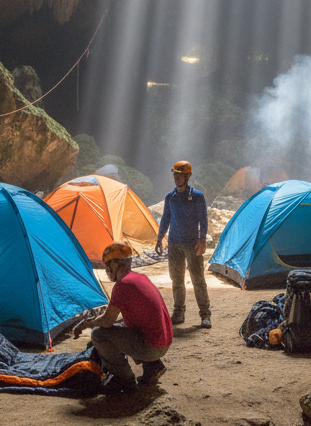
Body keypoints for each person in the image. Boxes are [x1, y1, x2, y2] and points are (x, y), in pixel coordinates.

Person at [74, 241, 173, 393]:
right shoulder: (140, 278)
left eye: (107, 264)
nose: (107, 269)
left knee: (99, 335)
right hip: (163, 341)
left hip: (152, 347)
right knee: (122, 325)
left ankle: (123, 379)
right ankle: (153, 366)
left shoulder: (122, 286)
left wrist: (86, 324)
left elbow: (107, 321)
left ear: (115, 264)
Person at [155, 160, 211, 328]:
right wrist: (160, 238)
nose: (176, 178)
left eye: (179, 175)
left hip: (192, 243)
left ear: (188, 176)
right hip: (174, 243)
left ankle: (205, 315)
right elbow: (166, 217)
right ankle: (179, 313)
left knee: (198, 279)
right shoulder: (170, 197)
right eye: (175, 174)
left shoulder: (197, 196)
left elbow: (203, 219)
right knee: (177, 280)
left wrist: (202, 239)